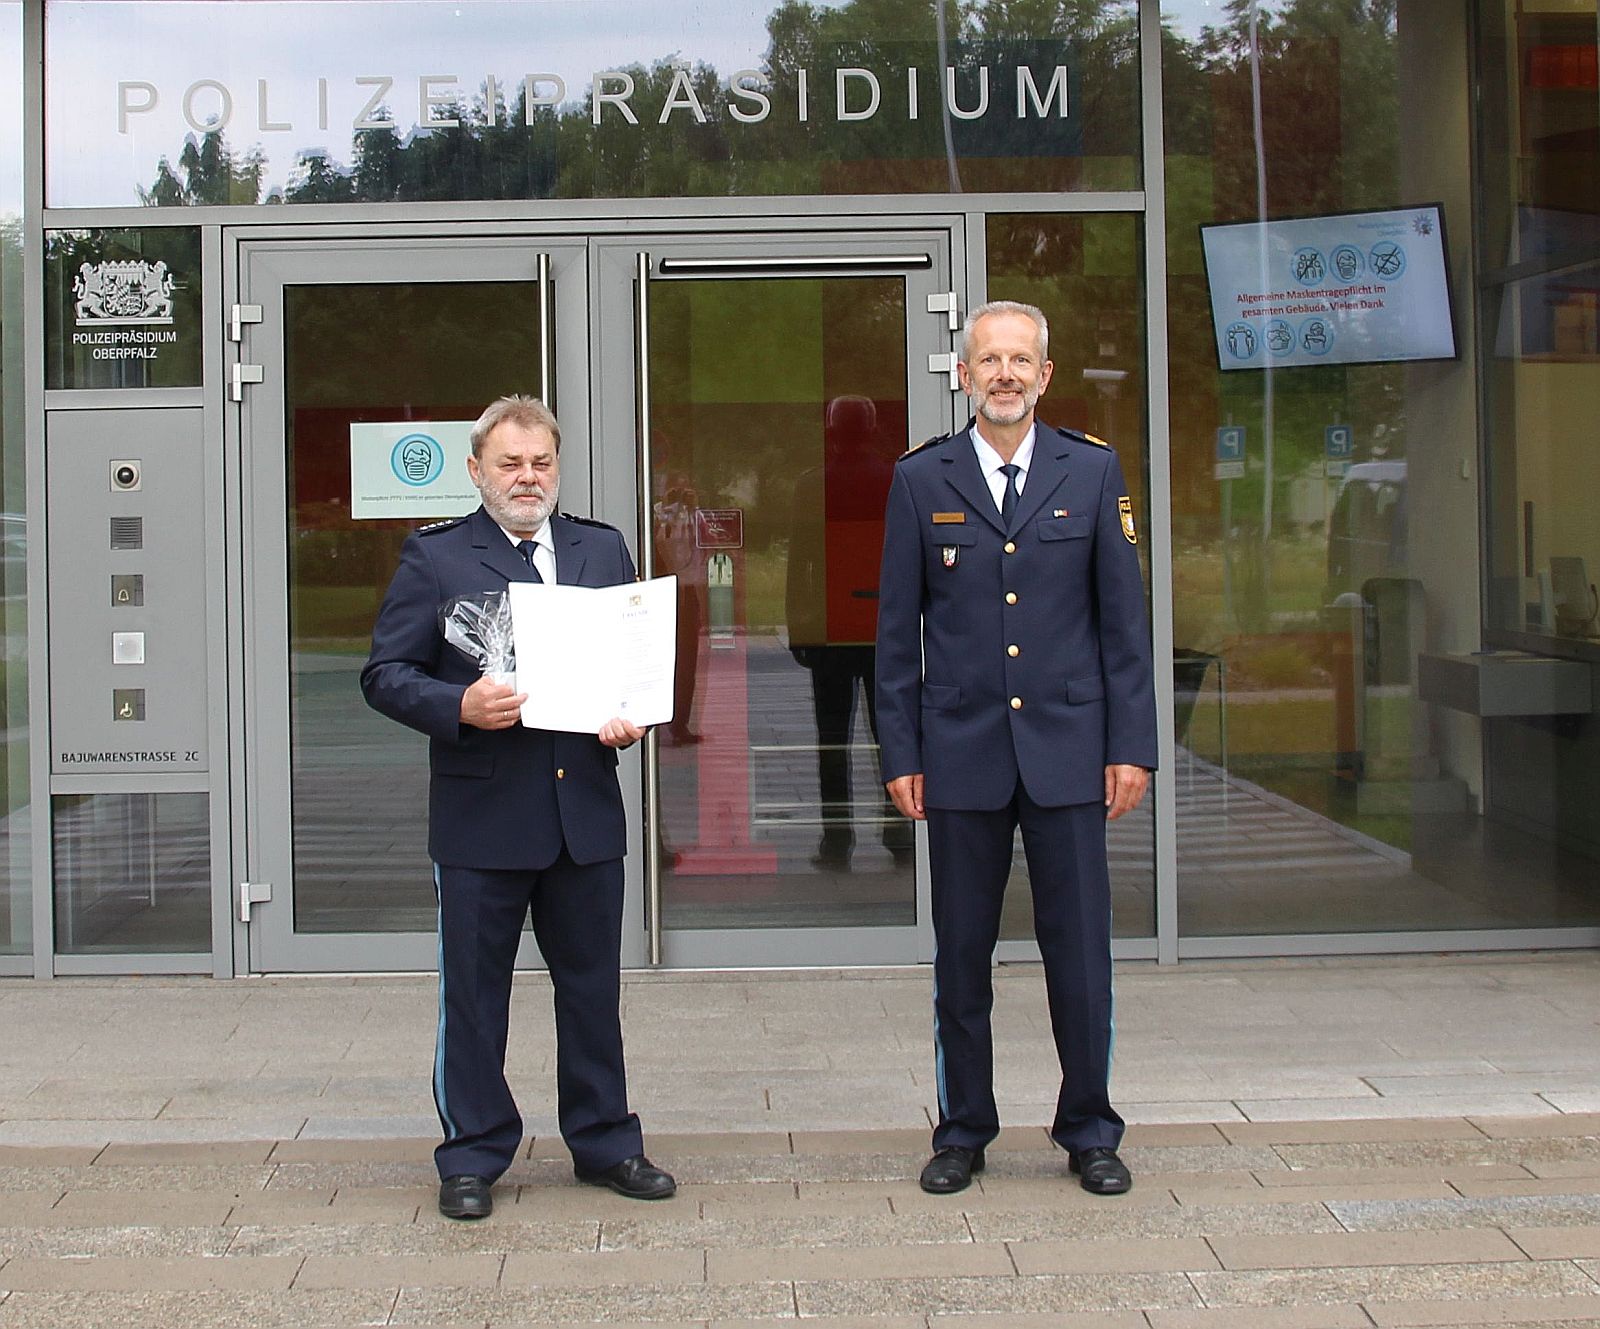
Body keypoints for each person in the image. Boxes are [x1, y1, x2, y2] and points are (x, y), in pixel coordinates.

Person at [361, 395, 675, 1220]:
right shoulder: (435, 558)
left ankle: (606, 1141)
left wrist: (631, 717)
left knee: (592, 991)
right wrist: (458, 706)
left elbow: (632, 669)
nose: (527, 477)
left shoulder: (601, 548)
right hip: (481, 818)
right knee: (473, 994)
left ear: (557, 467)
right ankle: (471, 1154)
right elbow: (385, 674)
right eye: (510, 463)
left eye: (540, 462)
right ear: (476, 471)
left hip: (583, 817)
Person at [874, 301, 1156, 1197]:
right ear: (963, 376)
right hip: (960, 754)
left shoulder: (1093, 469)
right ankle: (962, 1127)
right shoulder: (921, 480)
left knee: (1081, 953)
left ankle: (1091, 1129)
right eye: (987, 360)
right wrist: (900, 752)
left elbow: (1125, 629)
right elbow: (893, 637)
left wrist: (1132, 746)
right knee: (962, 952)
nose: (1003, 374)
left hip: (1071, 750)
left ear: (1045, 375)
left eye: (1019, 361)